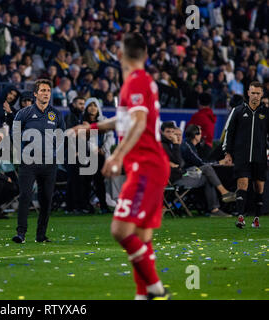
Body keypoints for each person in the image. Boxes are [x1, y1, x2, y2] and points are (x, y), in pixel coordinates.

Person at [72, 32, 172, 300]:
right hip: (152, 166)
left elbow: (138, 123)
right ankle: (144, 295)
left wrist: (116, 156)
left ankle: (156, 289)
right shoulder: (142, 81)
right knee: (142, 236)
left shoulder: (136, 81)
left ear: (120, 54)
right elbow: (124, 120)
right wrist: (91, 127)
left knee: (120, 230)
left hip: (146, 167)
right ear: (146, 55)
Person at [11, 79, 66, 244]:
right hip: (29, 162)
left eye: (48, 90)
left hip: (49, 163)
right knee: (25, 196)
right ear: (35, 94)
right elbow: (15, 134)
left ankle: (41, 235)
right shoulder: (24, 113)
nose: (46, 93)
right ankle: (21, 233)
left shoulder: (56, 114)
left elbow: (61, 135)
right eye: (42, 90)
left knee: (46, 199)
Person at [223, 81, 269, 228]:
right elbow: (229, 132)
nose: (255, 95)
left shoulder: (266, 113)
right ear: (248, 93)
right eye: (253, 92)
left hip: (260, 156)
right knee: (242, 183)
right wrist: (227, 153)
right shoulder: (237, 111)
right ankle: (240, 216)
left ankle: (256, 218)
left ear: (262, 95)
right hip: (241, 155)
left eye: (258, 93)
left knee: (259, 187)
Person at [163, 123, 234, 217]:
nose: (176, 137)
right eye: (172, 133)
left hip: (181, 175)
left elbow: (179, 163)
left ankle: (215, 209)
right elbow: (184, 163)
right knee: (207, 169)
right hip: (176, 179)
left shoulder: (176, 146)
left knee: (208, 177)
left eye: (178, 134)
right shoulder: (177, 146)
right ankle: (223, 194)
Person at [80, 97, 115, 214]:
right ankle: (86, 206)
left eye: (95, 105)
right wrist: (95, 149)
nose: (92, 108)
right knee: (86, 182)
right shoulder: (82, 121)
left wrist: (104, 149)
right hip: (87, 155)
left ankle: (103, 206)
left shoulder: (104, 120)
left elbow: (110, 136)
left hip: (101, 155)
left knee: (100, 181)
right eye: (90, 105)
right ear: (86, 108)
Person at [186, 92, 217, 159]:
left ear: (198, 102)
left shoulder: (199, 116)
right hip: (208, 147)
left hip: (201, 147)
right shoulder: (210, 115)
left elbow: (188, 129)